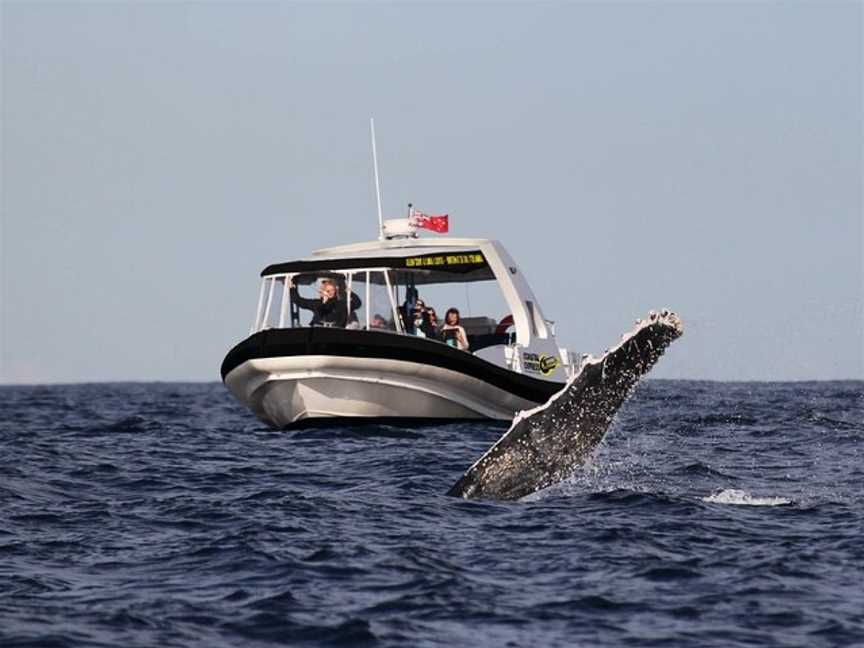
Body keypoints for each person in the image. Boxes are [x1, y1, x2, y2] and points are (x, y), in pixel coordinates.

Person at [289, 276, 361, 328]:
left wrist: (349, 292)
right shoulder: (317, 303)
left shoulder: (341, 304)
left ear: (335, 291)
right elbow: (298, 301)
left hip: (336, 332)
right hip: (318, 332)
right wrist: (292, 288)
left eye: (331, 290)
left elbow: (357, 303)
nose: (329, 292)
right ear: (322, 291)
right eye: (327, 290)